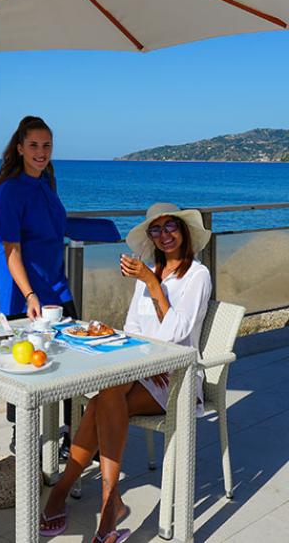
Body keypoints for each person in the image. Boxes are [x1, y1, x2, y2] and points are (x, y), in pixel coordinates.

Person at [38, 202, 212, 543]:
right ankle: (108, 503)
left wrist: (154, 285)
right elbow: (132, 329)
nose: (164, 235)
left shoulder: (197, 276)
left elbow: (178, 333)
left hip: (177, 377)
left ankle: (66, 494)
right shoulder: (145, 273)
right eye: (156, 229)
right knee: (107, 394)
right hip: (143, 368)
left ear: (185, 230)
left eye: (170, 227)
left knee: (103, 400)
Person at [0, 116, 77, 452]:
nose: (41, 152)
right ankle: (22, 436)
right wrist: (29, 293)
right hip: (22, 290)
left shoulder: (47, 182)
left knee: (70, 357)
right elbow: (11, 250)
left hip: (56, 284)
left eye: (46, 145)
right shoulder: (10, 190)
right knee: (25, 364)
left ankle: (72, 434)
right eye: (34, 146)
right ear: (20, 148)